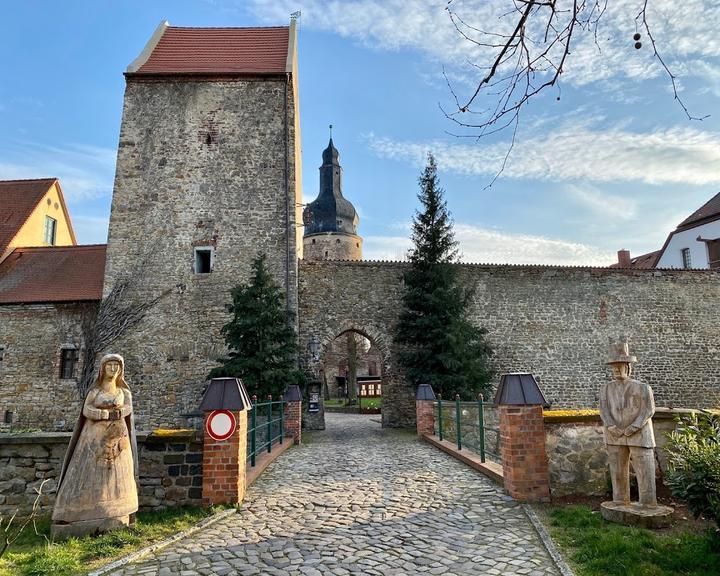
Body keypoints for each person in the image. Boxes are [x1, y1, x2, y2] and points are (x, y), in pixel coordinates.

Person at [52, 354, 138, 538]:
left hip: (118, 441)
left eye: (117, 366)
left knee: (117, 476)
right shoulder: (95, 392)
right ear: (103, 368)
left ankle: (119, 510)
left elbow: (129, 408)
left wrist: (120, 411)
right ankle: (78, 512)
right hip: (93, 440)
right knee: (87, 473)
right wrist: (101, 415)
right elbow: (86, 410)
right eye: (110, 366)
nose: (113, 370)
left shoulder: (124, 392)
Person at [599, 341, 657, 507]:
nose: (617, 370)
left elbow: (648, 410)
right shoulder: (606, 389)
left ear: (629, 367)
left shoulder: (643, 387)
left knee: (645, 471)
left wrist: (634, 427)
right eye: (614, 367)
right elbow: (604, 410)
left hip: (639, 435)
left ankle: (648, 503)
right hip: (614, 435)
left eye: (621, 366)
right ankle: (619, 500)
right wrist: (611, 426)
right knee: (617, 471)